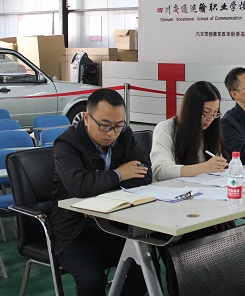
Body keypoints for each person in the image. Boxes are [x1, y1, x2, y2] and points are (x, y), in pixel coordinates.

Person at [50, 88, 150, 296]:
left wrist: (100, 196)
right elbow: (80, 185)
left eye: (118, 126)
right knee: (92, 280)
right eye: (104, 126)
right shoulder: (67, 144)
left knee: (144, 267)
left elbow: (144, 175)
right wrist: (119, 174)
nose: (111, 133)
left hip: (114, 224)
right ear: (87, 118)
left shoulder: (125, 136)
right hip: (75, 229)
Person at [151, 81, 228, 181]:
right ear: (191, 110)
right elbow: (160, 171)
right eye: (206, 112)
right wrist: (204, 167)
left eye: (215, 113)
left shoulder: (210, 129)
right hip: (174, 187)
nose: (211, 119)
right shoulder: (166, 128)